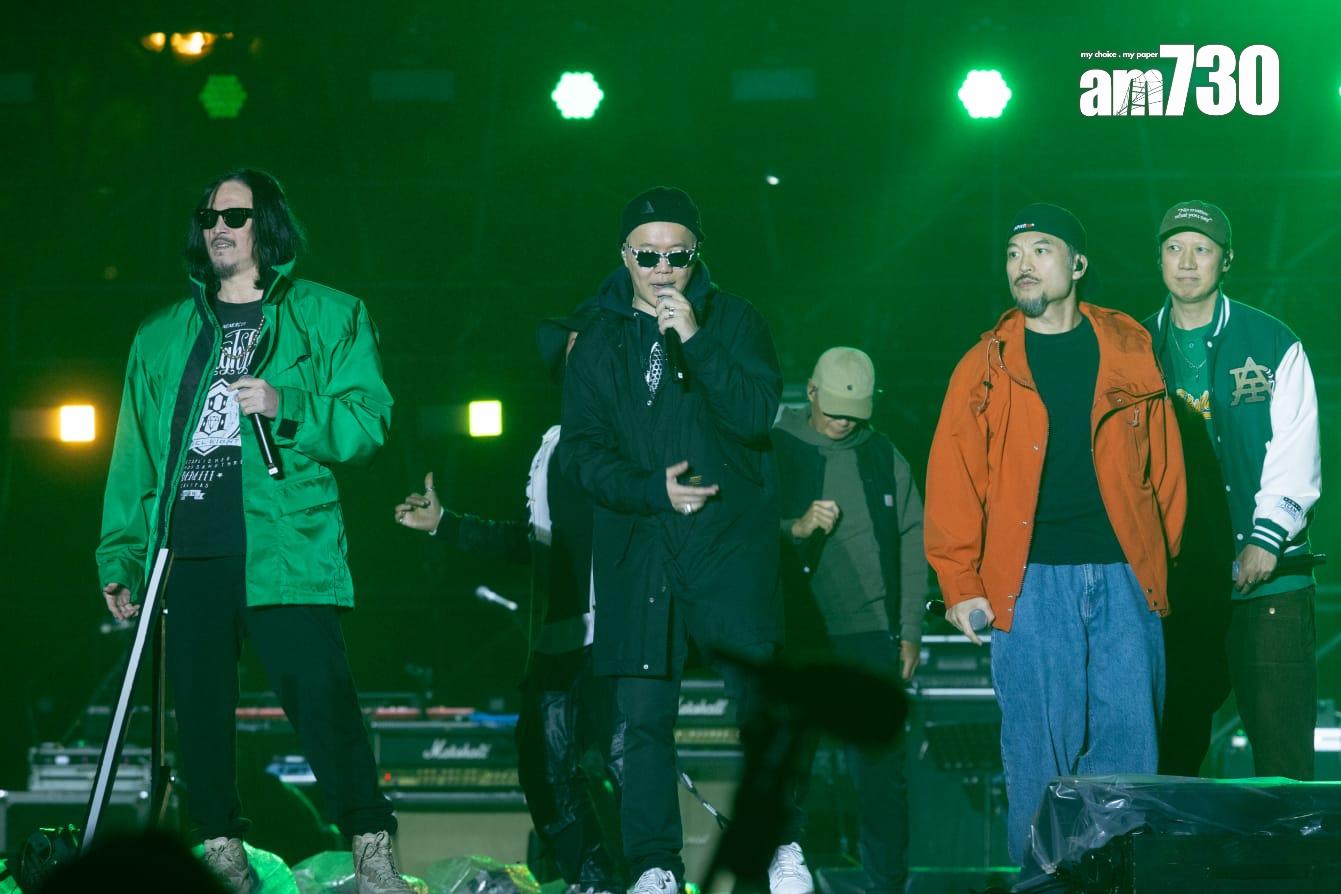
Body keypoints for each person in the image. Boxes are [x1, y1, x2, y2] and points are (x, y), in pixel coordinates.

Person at [95, 169, 411, 894]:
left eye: (235, 216)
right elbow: (133, 456)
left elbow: (368, 424)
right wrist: (122, 555)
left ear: (265, 224)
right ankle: (220, 853)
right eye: (208, 215)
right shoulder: (162, 334)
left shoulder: (330, 314)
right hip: (189, 549)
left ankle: (370, 848)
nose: (219, 227)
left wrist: (284, 401)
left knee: (320, 696)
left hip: (284, 544)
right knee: (199, 713)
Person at [560, 187, 808, 894]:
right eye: (648, 256)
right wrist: (650, 489)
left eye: (677, 255)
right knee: (642, 721)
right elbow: (581, 453)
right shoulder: (597, 339)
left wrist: (696, 339)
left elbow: (756, 414)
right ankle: (653, 867)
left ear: (697, 255)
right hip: (640, 546)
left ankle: (782, 846)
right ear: (624, 256)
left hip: (728, 545)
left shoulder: (735, 320)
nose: (663, 269)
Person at [923, 203, 1186, 864]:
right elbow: (954, 478)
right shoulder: (984, 364)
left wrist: (1157, 564)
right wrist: (958, 580)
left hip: (1124, 579)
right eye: (1013, 254)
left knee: (1132, 756)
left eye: (1040, 250)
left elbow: (1165, 469)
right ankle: (1044, 882)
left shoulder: (1128, 348)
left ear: (1077, 264)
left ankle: (1115, 879)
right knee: (1039, 758)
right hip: (1029, 584)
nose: (1023, 265)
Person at [394, 305, 623, 893]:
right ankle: (595, 881)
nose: (582, 358)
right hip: (560, 642)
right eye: (574, 350)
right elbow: (534, 543)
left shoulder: (632, 437)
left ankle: (647, 875)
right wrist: (446, 525)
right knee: (544, 769)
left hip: (619, 641)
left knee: (624, 766)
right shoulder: (554, 445)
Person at [1144, 200, 1321, 779]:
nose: (1186, 262)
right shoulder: (1133, 349)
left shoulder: (1272, 342)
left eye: (1202, 249)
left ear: (1226, 261)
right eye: (1174, 248)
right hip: (1178, 586)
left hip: (1270, 580)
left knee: (1282, 760)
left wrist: (1266, 539)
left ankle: (1295, 846)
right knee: (1171, 758)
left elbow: (1296, 452)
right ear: (1159, 259)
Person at [772, 347, 926, 894]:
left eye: (854, 415)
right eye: (835, 411)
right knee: (789, 763)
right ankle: (784, 874)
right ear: (811, 393)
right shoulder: (777, 448)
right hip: (800, 636)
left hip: (870, 636)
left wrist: (909, 629)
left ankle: (886, 884)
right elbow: (740, 530)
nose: (843, 423)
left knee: (881, 776)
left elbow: (914, 539)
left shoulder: (883, 455)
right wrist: (795, 528)